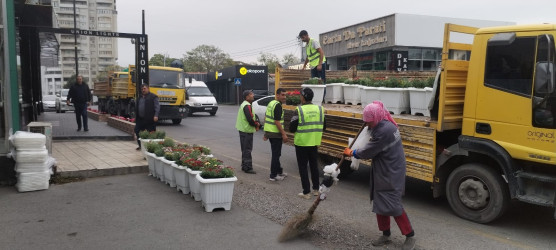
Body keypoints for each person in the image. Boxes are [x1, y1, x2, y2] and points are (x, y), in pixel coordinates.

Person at [343, 101, 416, 250]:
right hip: (384, 167)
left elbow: (368, 151)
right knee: (379, 201)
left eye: (369, 122)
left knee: (393, 204)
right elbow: (378, 105)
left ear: (375, 118)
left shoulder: (384, 131)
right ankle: (386, 234)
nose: (367, 125)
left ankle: (410, 236)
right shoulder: (383, 122)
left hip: (391, 171)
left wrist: (352, 153)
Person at [289, 88, 325, 199]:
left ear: (303, 97)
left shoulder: (299, 110)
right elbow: (324, 126)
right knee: (314, 166)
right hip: (314, 142)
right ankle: (316, 190)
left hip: (302, 143)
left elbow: (291, 128)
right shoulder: (320, 109)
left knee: (303, 167)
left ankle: (306, 192)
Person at [263, 88, 288, 181]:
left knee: (276, 153)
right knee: (276, 154)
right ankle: (273, 175)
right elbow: (277, 121)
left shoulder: (271, 103)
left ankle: (279, 171)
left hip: (270, 132)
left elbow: (266, 117)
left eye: (285, 95)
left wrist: (266, 133)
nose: (284, 97)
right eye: (282, 95)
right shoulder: (277, 105)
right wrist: (284, 134)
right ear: (277, 95)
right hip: (275, 133)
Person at [236, 90, 260, 174]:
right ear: (247, 97)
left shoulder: (243, 104)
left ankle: (244, 165)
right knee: (247, 149)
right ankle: (248, 167)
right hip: (247, 130)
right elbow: (250, 119)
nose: (253, 95)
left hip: (242, 129)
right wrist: (257, 125)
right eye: (251, 94)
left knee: (244, 149)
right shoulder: (247, 106)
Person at [134, 84, 160, 150]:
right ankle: (141, 146)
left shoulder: (153, 97)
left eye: (144, 88)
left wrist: (156, 115)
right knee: (137, 131)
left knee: (151, 133)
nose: (143, 90)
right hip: (140, 119)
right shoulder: (139, 97)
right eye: (142, 89)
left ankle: (151, 147)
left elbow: (157, 107)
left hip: (149, 119)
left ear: (148, 89)